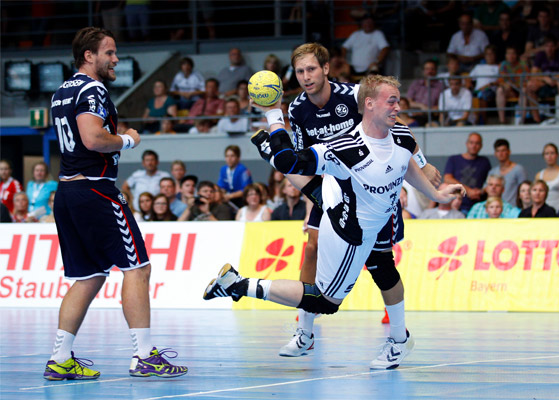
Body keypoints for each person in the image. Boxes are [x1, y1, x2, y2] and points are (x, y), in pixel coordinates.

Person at [204, 75, 465, 370]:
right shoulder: (343, 147)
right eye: (391, 101)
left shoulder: (402, 134)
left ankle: (399, 340)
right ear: (369, 104)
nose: (398, 107)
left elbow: (405, 163)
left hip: (363, 210)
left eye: (398, 101)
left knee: (383, 266)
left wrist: (436, 194)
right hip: (351, 231)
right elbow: (293, 161)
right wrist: (274, 113)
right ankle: (240, 285)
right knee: (325, 301)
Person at [45, 27, 186, 380]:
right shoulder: (93, 89)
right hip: (96, 190)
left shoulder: (61, 92)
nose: (116, 59)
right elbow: (93, 138)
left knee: (89, 277)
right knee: (138, 268)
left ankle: (59, 358)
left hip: (67, 193)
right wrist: (128, 140)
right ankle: (144, 356)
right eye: (109, 52)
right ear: (88, 56)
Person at [281, 43, 441, 354]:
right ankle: (305, 332)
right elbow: (303, 162)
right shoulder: (297, 110)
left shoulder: (353, 95)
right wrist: (311, 202)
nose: (306, 76)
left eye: (311, 69)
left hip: (370, 188)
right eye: (300, 71)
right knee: (311, 248)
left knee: (379, 262)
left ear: (326, 69)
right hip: (331, 187)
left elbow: (394, 126)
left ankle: (398, 333)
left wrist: (420, 165)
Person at [444, 132, 492, 214]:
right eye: (471, 143)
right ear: (466, 144)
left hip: (478, 207)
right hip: (456, 205)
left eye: (477, 143)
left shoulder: (484, 162)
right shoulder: (454, 159)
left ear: (481, 146)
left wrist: (480, 191)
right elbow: (447, 179)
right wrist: (468, 191)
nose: (474, 146)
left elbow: (490, 182)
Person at [525, 36, 559, 124]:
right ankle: (536, 119)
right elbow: (533, 73)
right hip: (544, 82)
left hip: (557, 82)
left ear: (555, 47)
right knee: (530, 86)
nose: (549, 49)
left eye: (552, 46)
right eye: (547, 46)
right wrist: (545, 78)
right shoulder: (540, 55)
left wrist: (554, 79)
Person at [487, 139, 527, 207]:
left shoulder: (518, 169)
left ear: (509, 152)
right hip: (495, 208)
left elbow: (524, 190)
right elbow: (486, 189)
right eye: (498, 151)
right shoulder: (492, 172)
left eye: (503, 150)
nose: (500, 154)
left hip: (513, 208)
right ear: (495, 154)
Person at [496, 46, 529, 124]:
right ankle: (502, 121)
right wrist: (505, 85)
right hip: (509, 91)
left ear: (517, 55)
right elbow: (500, 81)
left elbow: (526, 80)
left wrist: (514, 85)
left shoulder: (523, 65)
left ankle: (522, 120)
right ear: (506, 55)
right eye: (508, 53)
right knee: (500, 90)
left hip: (520, 89)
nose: (511, 56)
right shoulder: (503, 65)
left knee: (524, 90)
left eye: (513, 53)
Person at [406, 60, 445, 124]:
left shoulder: (441, 86)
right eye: (427, 69)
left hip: (432, 116)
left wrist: (429, 109)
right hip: (415, 115)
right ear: (423, 71)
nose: (429, 71)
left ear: (436, 71)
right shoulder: (415, 84)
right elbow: (408, 102)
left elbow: (444, 105)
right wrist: (421, 106)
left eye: (432, 69)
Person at [468, 44, 499, 124]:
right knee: (467, 95)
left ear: (495, 55)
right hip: (477, 91)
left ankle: (482, 122)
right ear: (484, 56)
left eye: (491, 54)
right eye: (487, 54)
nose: (489, 56)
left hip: (490, 90)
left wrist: (488, 85)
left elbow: (500, 81)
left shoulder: (498, 67)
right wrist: (469, 86)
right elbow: (468, 78)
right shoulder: (478, 67)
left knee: (482, 95)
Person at [535, 143, 559, 211]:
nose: (549, 156)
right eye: (547, 154)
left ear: (557, 155)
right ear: (544, 156)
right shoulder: (539, 175)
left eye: (552, 153)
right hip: (543, 211)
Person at [217, 145, 252, 209]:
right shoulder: (223, 169)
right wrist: (222, 194)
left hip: (241, 200)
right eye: (227, 156)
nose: (229, 159)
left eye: (232, 156)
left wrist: (230, 196)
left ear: (238, 158)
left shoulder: (243, 170)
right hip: (228, 199)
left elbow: (246, 189)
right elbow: (221, 186)